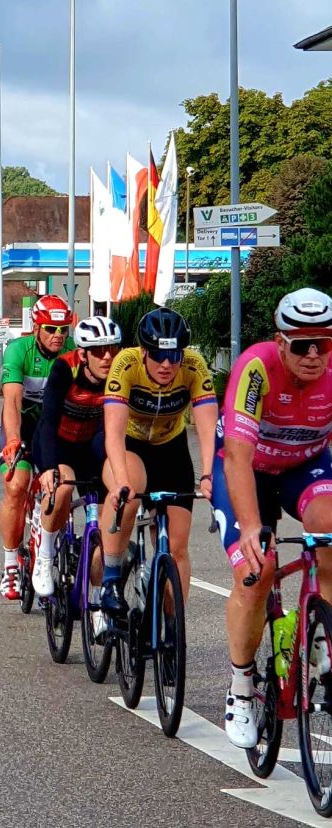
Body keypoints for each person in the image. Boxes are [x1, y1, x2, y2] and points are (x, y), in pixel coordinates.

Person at [212, 287, 332, 749]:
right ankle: (242, 687)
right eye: (301, 344)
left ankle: (322, 630)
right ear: (281, 343)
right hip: (251, 469)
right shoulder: (256, 369)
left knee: (328, 529)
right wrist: (249, 526)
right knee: (255, 571)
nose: (313, 354)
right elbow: (238, 456)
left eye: (323, 343)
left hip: (305, 466)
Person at [99, 307, 217, 614]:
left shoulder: (194, 366)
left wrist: (208, 474)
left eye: (174, 356)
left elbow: (206, 427)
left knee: (177, 547)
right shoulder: (125, 364)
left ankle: (170, 626)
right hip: (130, 445)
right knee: (130, 495)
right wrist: (121, 479)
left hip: (171, 448)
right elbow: (112, 432)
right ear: (143, 351)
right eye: (157, 356)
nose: (166, 364)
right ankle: (110, 578)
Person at [32, 316, 121, 601]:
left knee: (110, 505)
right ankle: (44, 555)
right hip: (57, 443)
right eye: (98, 351)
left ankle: (96, 595)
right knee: (63, 486)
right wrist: (47, 468)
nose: (107, 357)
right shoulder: (64, 368)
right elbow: (46, 421)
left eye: (112, 349)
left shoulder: (119, 373)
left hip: (91, 444)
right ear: (83, 354)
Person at [0, 295, 76, 599]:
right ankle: (10, 567)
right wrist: (14, 440)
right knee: (17, 486)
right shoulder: (19, 350)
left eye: (63, 329)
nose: (58, 336)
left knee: (63, 484)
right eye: (50, 329)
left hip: (56, 427)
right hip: (25, 425)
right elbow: (13, 402)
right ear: (36, 326)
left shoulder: (72, 352)